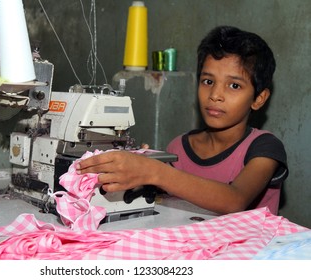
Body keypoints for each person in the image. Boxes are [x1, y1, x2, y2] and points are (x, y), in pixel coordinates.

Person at [76, 26, 288, 215]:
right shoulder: (178, 148)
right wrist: (139, 171)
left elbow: (235, 200)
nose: (215, 94)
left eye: (234, 86)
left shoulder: (265, 148)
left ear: (259, 99)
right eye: (207, 81)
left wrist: (154, 172)